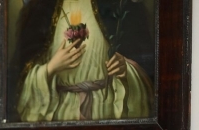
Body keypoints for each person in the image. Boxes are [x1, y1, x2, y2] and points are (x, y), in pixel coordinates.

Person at [11, 0, 154, 122]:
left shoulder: (118, 4)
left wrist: (125, 69)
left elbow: (145, 65)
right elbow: (19, 81)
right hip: (59, 115)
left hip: (105, 111)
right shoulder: (43, 8)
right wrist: (50, 68)